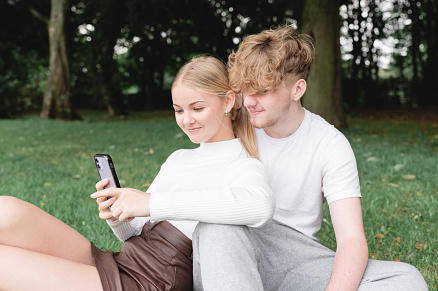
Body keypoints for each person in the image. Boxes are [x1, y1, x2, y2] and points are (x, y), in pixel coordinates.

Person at [0, 56, 275, 291]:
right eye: (179, 110)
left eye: (197, 108)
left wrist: (150, 202)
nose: (187, 120)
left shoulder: (243, 164)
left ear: (228, 101)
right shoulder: (178, 159)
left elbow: (260, 206)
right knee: (7, 210)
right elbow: (132, 234)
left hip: (153, 282)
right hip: (123, 261)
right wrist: (117, 215)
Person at [192, 27, 428, 291]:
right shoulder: (231, 127)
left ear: (298, 89)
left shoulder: (329, 143)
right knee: (215, 229)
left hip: (299, 260)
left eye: (262, 91)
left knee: (406, 280)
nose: (249, 102)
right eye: (245, 91)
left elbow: (351, 239)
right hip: (235, 251)